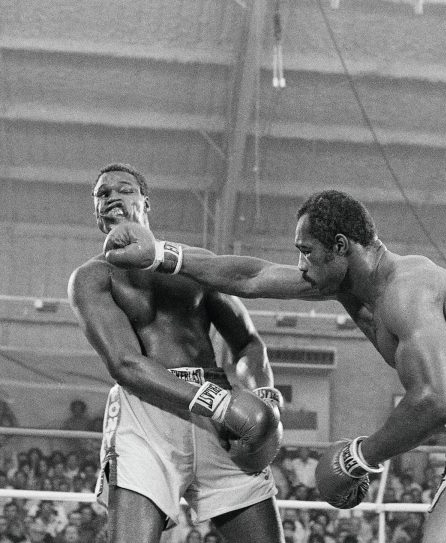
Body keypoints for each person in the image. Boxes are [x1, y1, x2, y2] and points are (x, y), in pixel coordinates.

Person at [103, 189, 446, 542]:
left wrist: (361, 456)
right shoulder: (342, 282)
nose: (301, 265)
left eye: (308, 252)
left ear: (341, 246)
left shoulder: (407, 288)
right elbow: (249, 276)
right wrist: (162, 254)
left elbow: (437, 398)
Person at [67, 163, 284, 543]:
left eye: (124, 189)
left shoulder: (191, 263)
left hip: (220, 417)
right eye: (102, 194)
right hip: (147, 410)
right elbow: (125, 363)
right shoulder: (92, 277)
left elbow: (247, 343)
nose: (112, 196)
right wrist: (218, 403)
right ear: (97, 213)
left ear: (145, 202)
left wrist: (264, 398)